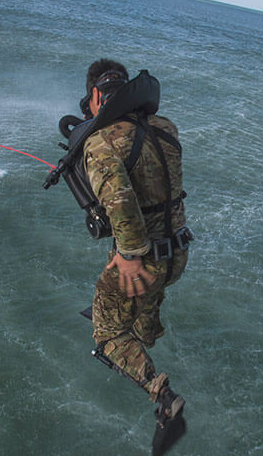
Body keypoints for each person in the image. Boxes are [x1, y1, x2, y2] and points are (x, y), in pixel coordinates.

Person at [80, 58, 191, 423]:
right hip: (177, 252)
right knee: (147, 293)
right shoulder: (166, 128)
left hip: (143, 261)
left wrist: (129, 254)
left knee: (108, 333)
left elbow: (121, 201)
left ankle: (164, 397)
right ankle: (145, 330)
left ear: (97, 96)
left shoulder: (100, 142)